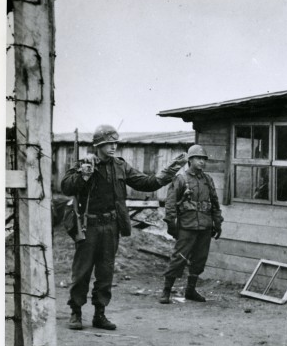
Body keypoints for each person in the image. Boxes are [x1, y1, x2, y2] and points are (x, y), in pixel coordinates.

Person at [61, 124, 187, 331]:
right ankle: (76, 312)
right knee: (82, 272)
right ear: (98, 145)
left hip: (111, 227)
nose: (112, 147)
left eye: (114, 143)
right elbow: (65, 187)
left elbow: (147, 183)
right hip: (88, 226)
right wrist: (83, 175)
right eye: (107, 143)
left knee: (106, 272)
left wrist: (171, 169)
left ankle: (99, 314)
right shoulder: (84, 164)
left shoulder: (120, 166)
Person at [159, 145, 223, 304]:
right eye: (198, 158)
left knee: (200, 259)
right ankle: (166, 291)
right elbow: (170, 204)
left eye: (204, 159)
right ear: (190, 160)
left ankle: (190, 290)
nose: (202, 162)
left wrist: (217, 222)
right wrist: (171, 225)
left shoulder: (208, 179)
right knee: (178, 258)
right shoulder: (180, 179)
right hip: (187, 226)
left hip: (205, 226)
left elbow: (214, 202)